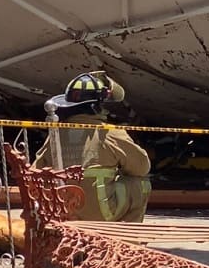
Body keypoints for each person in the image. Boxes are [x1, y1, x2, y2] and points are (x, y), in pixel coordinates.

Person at [33, 70, 152, 223]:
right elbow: (142, 167)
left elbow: (36, 169)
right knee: (141, 184)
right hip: (100, 213)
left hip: (63, 210)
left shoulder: (55, 134)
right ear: (98, 107)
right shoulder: (110, 133)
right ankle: (128, 235)